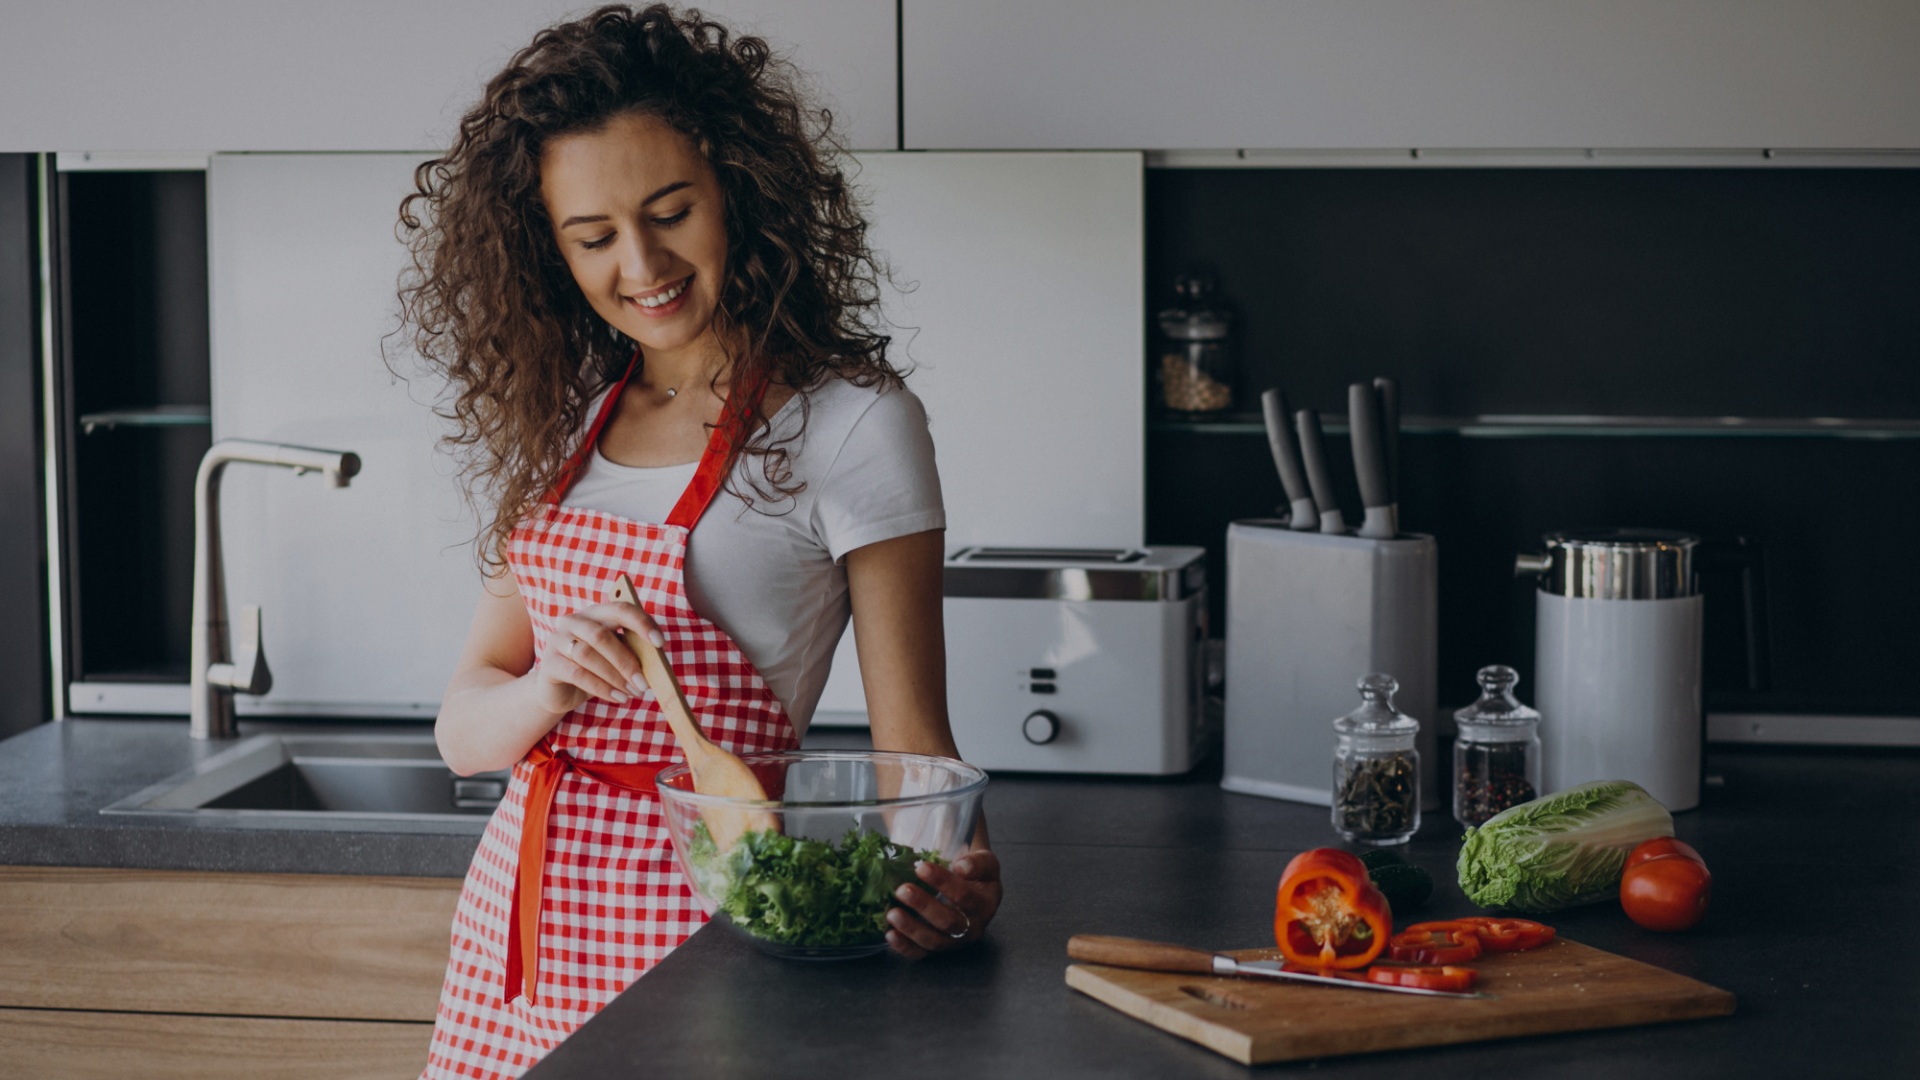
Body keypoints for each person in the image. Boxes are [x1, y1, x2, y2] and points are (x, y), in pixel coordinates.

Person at [396, 6, 1000, 1077]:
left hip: (717, 926)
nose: (642, 262)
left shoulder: (854, 424)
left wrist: (954, 874)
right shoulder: (567, 411)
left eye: (670, 210)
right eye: (593, 238)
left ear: (737, 189)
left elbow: (922, 765)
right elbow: (463, 731)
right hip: (519, 933)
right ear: (550, 249)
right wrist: (548, 693)